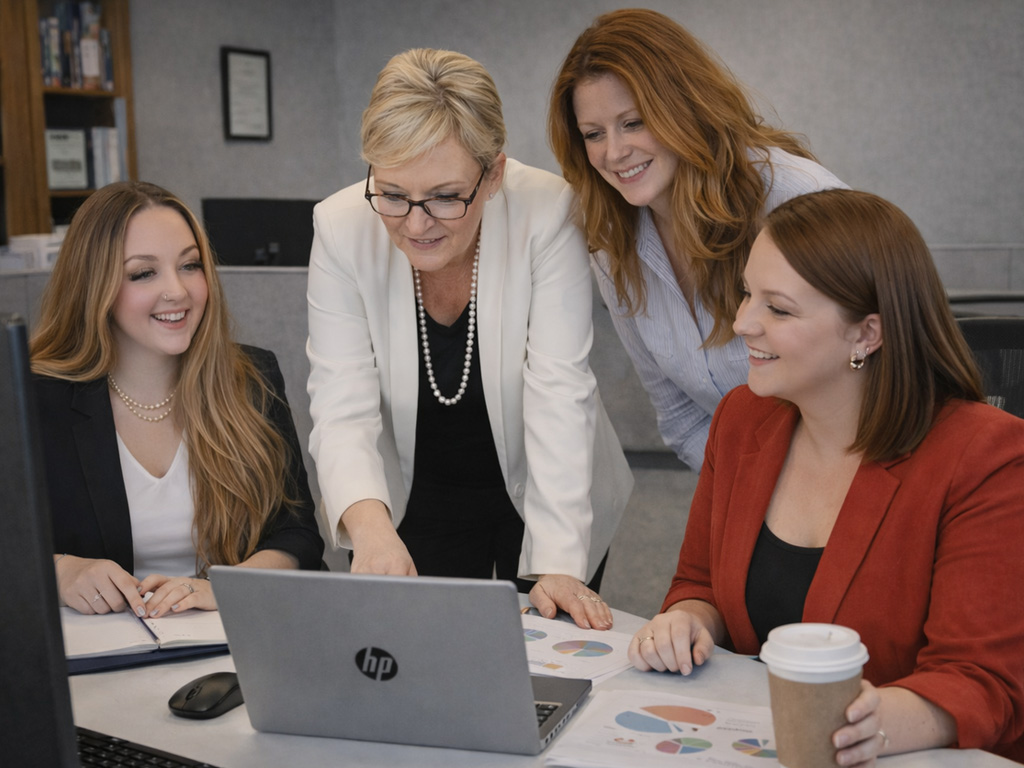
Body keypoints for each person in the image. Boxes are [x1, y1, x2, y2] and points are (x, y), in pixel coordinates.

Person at [629, 189, 1024, 763]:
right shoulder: (743, 419)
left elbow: (982, 682)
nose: (742, 323)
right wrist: (688, 620)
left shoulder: (986, 457)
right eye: (746, 293)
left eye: (779, 309)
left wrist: (863, 723)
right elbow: (700, 582)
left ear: (866, 334)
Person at [306, 48, 633, 629]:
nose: (416, 223)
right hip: (413, 492)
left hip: (546, 489)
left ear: (494, 174)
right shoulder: (340, 226)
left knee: (544, 659)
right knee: (426, 656)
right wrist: (372, 532)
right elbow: (340, 403)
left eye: (445, 196)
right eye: (393, 193)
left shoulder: (547, 211)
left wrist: (557, 560)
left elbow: (559, 390)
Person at [548, 8, 846, 470]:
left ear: (682, 107)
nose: (614, 152)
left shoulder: (797, 196)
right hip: (741, 483)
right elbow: (681, 417)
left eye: (633, 122)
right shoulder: (611, 244)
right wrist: (745, 493)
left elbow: (876, 373)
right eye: (593, 134)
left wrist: (799, 494)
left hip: (854, 467)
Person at [32, 181, 324, 620]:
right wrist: (59, 571)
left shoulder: (250, 378)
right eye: (143, 273)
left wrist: (225, 588)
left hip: (226, 635)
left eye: (190, 266)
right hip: (98, 645)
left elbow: (296, 535)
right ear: (94, 285)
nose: (178, 291)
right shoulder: (38, 397)